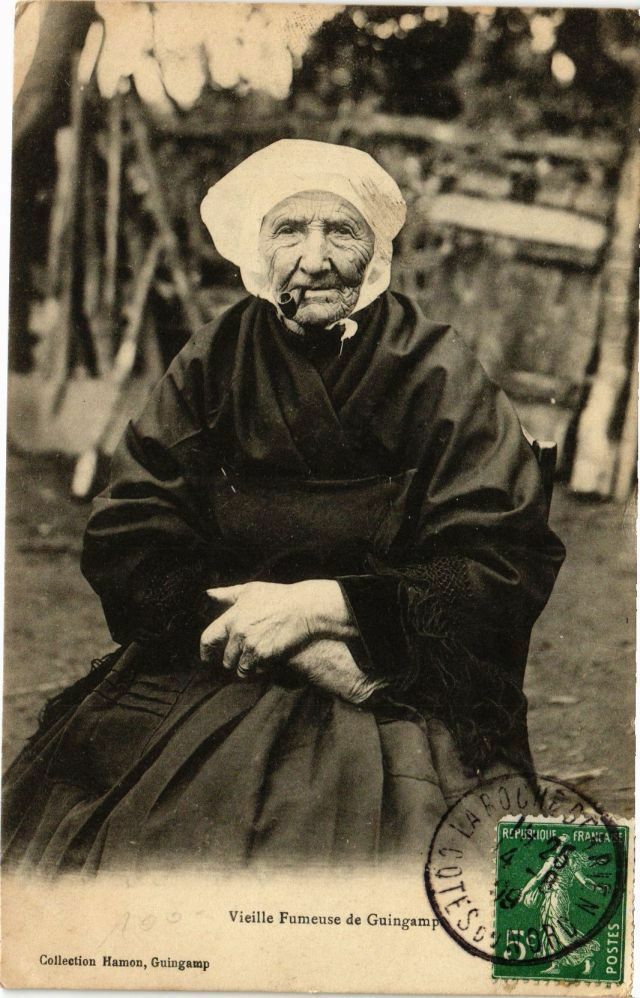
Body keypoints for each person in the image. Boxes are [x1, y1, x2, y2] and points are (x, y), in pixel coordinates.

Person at [2, 140, 565, 874]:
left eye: (341, 232)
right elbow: (130, 533)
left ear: (377, 250)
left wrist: (324, 610)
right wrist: (276, 637)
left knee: (406, 842)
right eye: (290, 231)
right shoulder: (214, 360)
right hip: (220, 658)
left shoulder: (438, 371)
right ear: (255, 246)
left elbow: (500, 562)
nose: (315, 259)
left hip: (390, 673)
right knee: (149, 832)